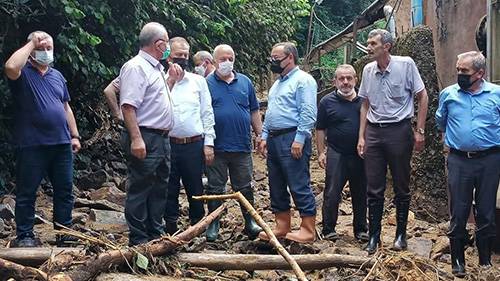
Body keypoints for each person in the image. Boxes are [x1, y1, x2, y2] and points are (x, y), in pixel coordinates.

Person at [5, 31, 81, 247]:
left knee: (65, 190)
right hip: (32, 144)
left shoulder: (57, 76)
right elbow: (10, 67)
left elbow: (66, 107)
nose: (46, 52)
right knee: (27, 191)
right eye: (42, 48)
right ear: (31, 51)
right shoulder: (23, 73)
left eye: (49, 48)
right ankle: (25, 235)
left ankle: (64, 233)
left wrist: (74, 135)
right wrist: (31, 43)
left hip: (61, 143)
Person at [357, 29, 428, 254]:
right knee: (374, 187)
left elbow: (422, 95)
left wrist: (420, 130)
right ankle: (374, 236)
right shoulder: (368, 70)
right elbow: (365, 104)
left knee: (401, 184)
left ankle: (400, 235)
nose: (368, 47)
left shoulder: (405, 64)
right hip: (374, 133)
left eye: (373, 43)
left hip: (399, 130)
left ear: (386, 46)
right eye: (368, 43)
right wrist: (361, 135)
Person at [435, 51, 500, 277]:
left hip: (490, 160)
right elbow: (440, 122)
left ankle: (484, 260)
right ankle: (457, 260)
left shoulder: (496, 94)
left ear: (480, 73)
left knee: (486, 209)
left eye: (465, 71)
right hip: (459, 160)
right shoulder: (448, 94)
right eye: (458, 70)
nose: (460, 75)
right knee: (459, 210)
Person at [119, 22, 178, 246]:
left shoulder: (157, 69)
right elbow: (128, 106)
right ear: (159, 43)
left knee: (160, 186)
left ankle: (156, 233)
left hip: (162, 137)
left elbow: (154, 102)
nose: (168, 48)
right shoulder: (136, 67)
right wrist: (136, 138)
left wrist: (171, 80)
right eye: (167, 42)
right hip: (146, 135)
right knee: (140, 186)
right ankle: (138, 239)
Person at [257, 42, 317, 243]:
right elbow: (271, 113)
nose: (273, 62)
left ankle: (308, 229)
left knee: (298, 182)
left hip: (292, 137)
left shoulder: (303, 81)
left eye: (276, 58)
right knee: (276, 183)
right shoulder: (277, 84)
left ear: (290, 57)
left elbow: (308, 112)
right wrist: (264, 136)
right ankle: (282, 225)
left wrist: (300, 139)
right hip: (274, 138)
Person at [204, 44, 262, 242]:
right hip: (216, 146)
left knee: (244, 186)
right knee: (215, 187)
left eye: (230, 58)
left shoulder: (245, 82)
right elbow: (202, 113)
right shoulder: (206, 84)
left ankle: (250, 221)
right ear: (213, 62)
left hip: (242, 145)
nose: (227, 62)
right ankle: (213, 223)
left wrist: (260, 135)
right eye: (222, 59)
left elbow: (254, 111)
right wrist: (206, 143)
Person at [163, 37, 215, 234]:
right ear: (168, 56)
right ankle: (170, 228)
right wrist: (170, 81)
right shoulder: (160, 79)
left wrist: (208, 143)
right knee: (169, 187)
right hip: (168, 143)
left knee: (195, 186)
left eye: (185, 55)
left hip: (194, 143)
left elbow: (206, 113)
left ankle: (198, 227)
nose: (182, 59)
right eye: (178, 55)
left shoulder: (198, 82)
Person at [316, 64, 368, 242]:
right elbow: (320, 129)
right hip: (336, 152)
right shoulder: (326, 102)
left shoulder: (364, 100)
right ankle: (328, 229)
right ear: (335, 81)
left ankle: (361, 230)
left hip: (360, 154)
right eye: (341, 79)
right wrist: (321, 152)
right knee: (332, 191)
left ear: (356, 79)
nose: (345, 82)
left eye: (349, 78)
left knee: (360, 192)